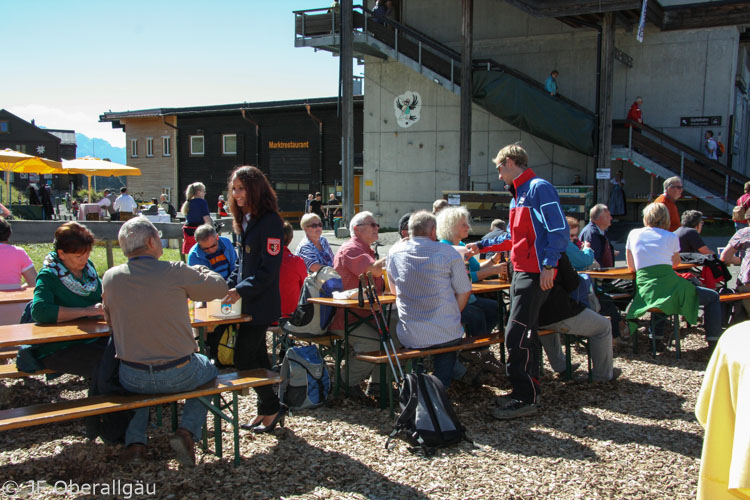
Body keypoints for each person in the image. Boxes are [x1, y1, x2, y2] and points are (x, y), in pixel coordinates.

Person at [102, 217, 227, 466]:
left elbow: (110, 322)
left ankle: (136, 444)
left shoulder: (110, 277)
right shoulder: (174, 271)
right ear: (151, 241)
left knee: (137, 391)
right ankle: (186, 432)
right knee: (209, 368)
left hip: (132, 373)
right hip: (179, 371)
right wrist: (200, 270)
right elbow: (219, 287)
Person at [467, 143, 568, 420]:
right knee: (526, 332)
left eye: (499, 168)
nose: (498, 175)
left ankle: (525, 397)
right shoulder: (518, 195)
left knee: (516, 333)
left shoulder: (538, 188)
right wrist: (480, 246)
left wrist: (550, 264)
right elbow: (512, 237)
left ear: (511, 162)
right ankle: (526, 391)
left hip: (535, 272)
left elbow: (559, 230)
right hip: (521, 270)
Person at [223, 166, 285, 433]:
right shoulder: (246, 218)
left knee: (245, 358)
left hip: (260, 301)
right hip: (247, 301)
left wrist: (240, 289)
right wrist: (226, 285)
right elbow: (242, 264)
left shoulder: (270, 221)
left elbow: (268, 270)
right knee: (258, 356)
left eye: (241, 188)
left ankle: (272, 406)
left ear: (255, 189)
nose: (236, 194)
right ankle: (269, 409)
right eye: (234, 189)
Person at [386, 211, 472, 388]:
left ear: (409, 231)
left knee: (420, 351)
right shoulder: (448, 253)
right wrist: (453, 313)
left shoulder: (394, 252)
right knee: (447, 346)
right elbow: (464, 290)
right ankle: (441, 389)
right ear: (433, 231)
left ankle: (417, 389)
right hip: (446, 329)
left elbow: (394, 290)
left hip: (410, 332)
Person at [626, 203, 722, 350]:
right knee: (712, 296)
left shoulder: (633, 234)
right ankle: (713, 343)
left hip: (646, 290)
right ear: (666, 218)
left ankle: (656, 340)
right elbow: (676, 263)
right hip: (668, 289)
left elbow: (631, 266)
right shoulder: (670, 236)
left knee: (661, 294)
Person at [331, 211, 399, 398]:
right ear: (356, 229)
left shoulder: (366, 250)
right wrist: (399, 251)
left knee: (398, 331)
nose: (377, 228)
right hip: (348, 318)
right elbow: (374, 271)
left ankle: (379, 384)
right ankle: (344, 383)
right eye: (372, 224)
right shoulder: (351, 249)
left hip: (367, 315)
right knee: (375, 344)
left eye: (377, 224)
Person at [26, 222, 107, 377]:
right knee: (106, 363)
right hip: (60, 346)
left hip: (91, 338)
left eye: (87, 253)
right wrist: (86, 311)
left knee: (123, 354)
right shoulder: (49, 275)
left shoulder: (88, 269)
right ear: (61, 254)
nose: (84, 259)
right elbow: (40, 311)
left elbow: (101, 294)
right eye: (78, 256)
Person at [537, 253, 616, 382]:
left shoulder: (519, 251)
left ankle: (562, 367)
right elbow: (572, 283)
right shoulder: (556, 252)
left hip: (531, 315)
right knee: (603, 326)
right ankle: (602, 376)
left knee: (545, 324)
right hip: (558, 311)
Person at [436, 206, 504, 337]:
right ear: (451, 227)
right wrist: (493, 270)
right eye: (463, 224)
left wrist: (493, 261)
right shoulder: (444, 248)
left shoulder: (461, 245)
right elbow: (467, 278)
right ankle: (478, 348)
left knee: (495, 307)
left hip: (468, 298)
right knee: (477, 315)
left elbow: (476, 268)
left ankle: (478, 345)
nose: (468, 227)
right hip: (451, 302)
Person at [0, 217, 37, 289]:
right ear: (9, 233)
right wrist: (19, 288)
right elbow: (34, 282)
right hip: (14, 299)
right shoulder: (19, 252)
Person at [280, 221, 307, 319]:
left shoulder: (259, 259)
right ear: (290, 239)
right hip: (290, 315)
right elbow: (304, 287)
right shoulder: (297, 261)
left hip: (263, 316)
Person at [579, 204, 617, 268]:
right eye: (608, 216)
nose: (611, 218)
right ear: (599, 218)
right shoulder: (591, 233)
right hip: (598, 275)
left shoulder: (599, 231)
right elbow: (594, 258)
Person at [181, 182, 213, 254]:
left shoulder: (188, 203)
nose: (205, 193)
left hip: (188, 234)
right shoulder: (202, 202)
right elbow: (206, 218)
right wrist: (212, 229)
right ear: (199, 192)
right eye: (204, 191)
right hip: (200, 234)